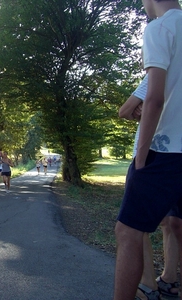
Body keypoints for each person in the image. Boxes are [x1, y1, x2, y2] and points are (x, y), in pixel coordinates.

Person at [114, 1, 182, 299]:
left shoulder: (161, 27)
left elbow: (152, 99)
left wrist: (141, 156)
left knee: (128, 232)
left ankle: (145, 289)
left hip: (165, 151)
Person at [119, 74, 181, 299]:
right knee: (173, 223)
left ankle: (148, 284)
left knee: (133, 226)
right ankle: (169, 279)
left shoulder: (158, 70)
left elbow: (125, 110)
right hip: (175, 154)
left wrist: (141, 109)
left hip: (152, 154)